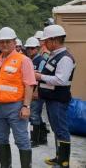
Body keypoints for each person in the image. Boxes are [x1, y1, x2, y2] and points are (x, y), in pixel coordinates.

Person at [0, 27, 35, 168]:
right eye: (1, 42)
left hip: (16, 106)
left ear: (14, 42)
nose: (4, 44)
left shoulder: (23, 60)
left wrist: (26, 106)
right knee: (1, 139)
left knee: (21, 140)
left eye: (7, 42)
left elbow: (30, 84)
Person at [36, 25, 75, 168]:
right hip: (52, 99)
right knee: (56, 129)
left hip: (59, 100)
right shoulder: (55, 55)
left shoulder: (65, 58)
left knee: (61, 130)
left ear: (54, 40)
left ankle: (64, 162)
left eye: (46, 40)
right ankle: (59, 157)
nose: (44, 44)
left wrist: (40, 76)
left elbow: (61, 80)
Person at [24, 37, 48, 147]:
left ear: (37, 49)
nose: (29, 50)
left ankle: (34, 140)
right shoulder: (29, 60)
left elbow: (41, 77)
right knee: (36, 115)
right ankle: (42, 138)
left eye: (32, 48)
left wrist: (36, 91)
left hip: (37, 93)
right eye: (28, 48)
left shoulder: (41, 61)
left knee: (34, 116)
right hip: (31, 92)